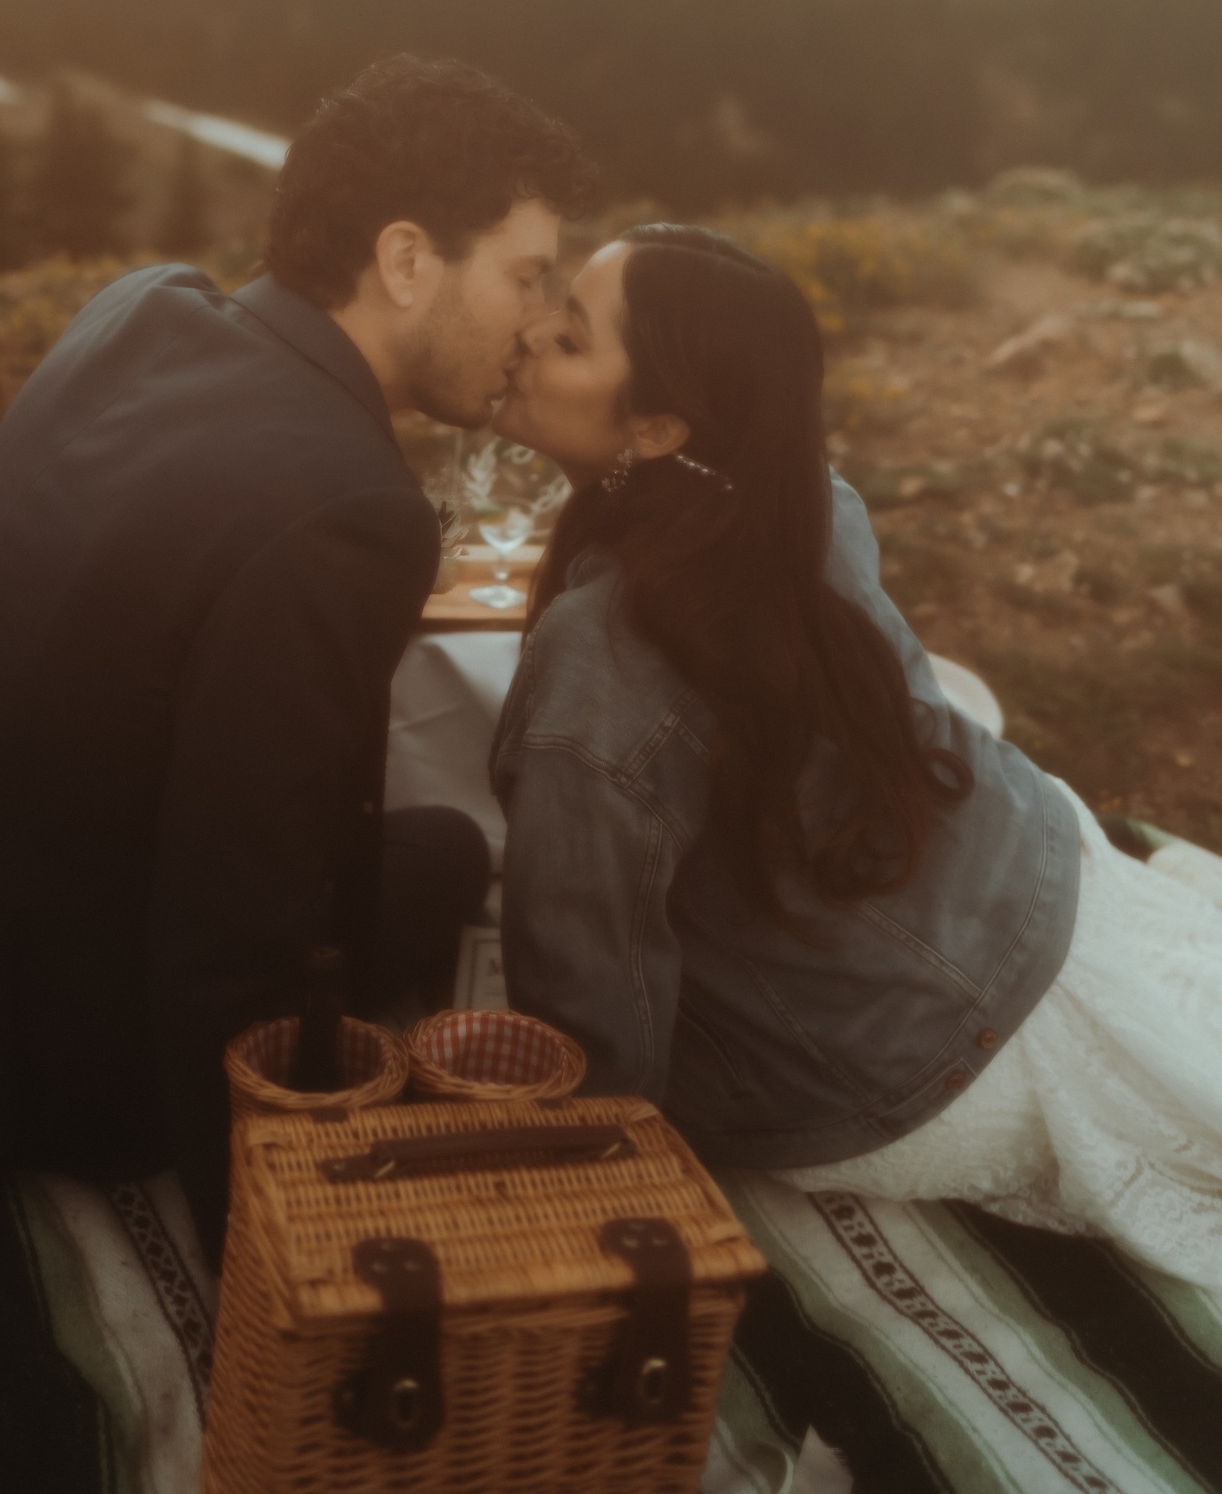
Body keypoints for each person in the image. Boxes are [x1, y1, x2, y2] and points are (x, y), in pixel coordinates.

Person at [0, 54, 592, 1259]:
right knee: (448, 855)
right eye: (526, 275)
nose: (540, 319)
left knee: (406, 853)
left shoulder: (148, 305)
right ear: (407, 261)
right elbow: (231, 928)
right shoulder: (350, 511)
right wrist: (265, 1254)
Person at [492, 223, 1222, 1292]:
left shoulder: (599, 672)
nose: (524, 333)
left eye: (567, 336)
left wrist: (572, 1196)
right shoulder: (794, 502)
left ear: (657, 427)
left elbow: (588, 1020)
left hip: (907, 1063)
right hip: (1032, 872)